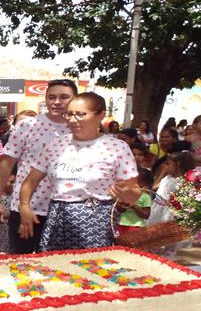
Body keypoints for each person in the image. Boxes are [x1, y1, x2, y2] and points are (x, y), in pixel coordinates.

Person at [18, 92, 140, 251]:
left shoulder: (117, 147)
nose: (73, 120)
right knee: (53, 268)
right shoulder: (56, 144)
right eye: (69, 114)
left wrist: (126, 192)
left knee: (90, 269)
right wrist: (25, 206)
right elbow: (30, 181)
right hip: (57, 218)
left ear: (100, 115)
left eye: (80, 114)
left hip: (96, 221)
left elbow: (134, 192)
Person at [0, 79, 78, 254]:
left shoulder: (80, 128)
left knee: (59, 266)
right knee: (20, 265)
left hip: (66, 210)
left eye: (64, 97)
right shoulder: (27, 125)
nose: (57, 102)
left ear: (75, 99)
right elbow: (5, 166)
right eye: (52, 97)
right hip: (26, 208)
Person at [116, 169, 153, 236]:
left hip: (136, 226)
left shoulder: (145, 197)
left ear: (143, 183)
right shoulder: (124, 193)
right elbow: (119, 209)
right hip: (122, 224)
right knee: (122, 244)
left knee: (133, 244)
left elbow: (146, 215)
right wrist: (121, 205)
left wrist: (135, 206)